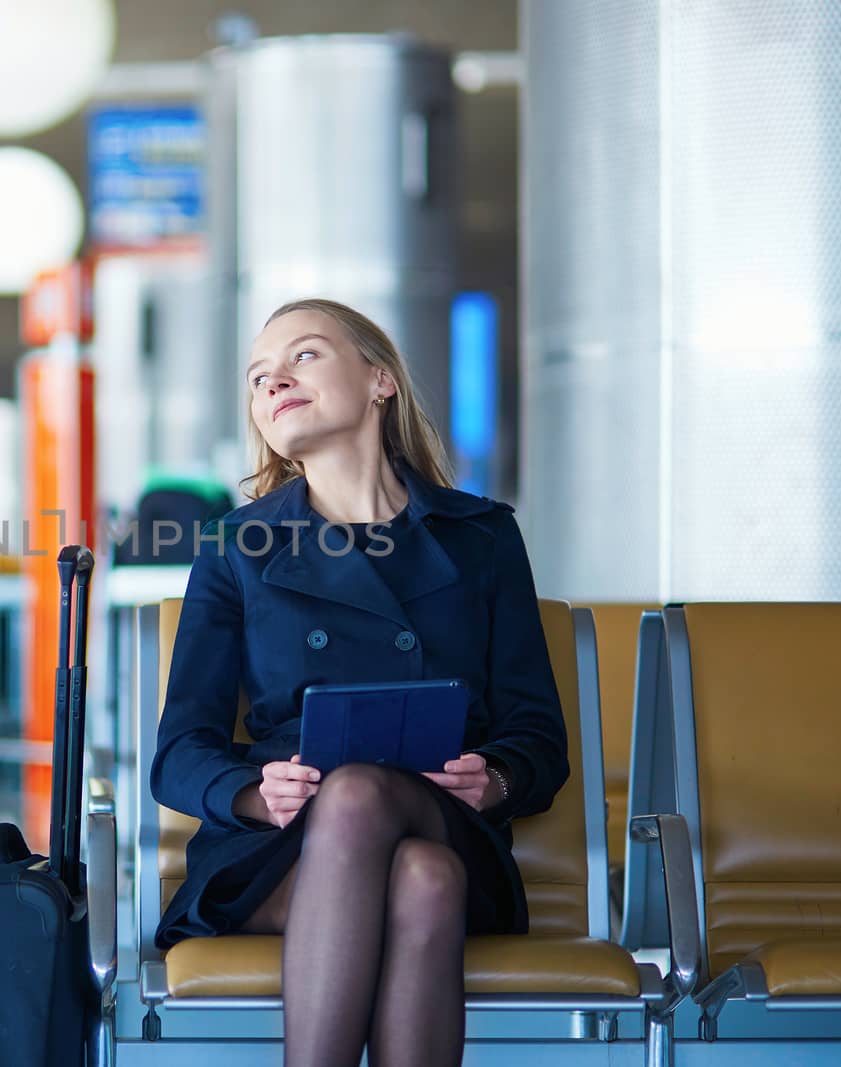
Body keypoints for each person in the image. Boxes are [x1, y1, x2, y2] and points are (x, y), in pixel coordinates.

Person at [149, 298, 570, 1067]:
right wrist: (253, 791)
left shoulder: (482, 537)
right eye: (257, 377)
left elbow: (538, 734)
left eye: (302, 356)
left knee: (385, 814)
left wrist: (498, 777)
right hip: (277, 850)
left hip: (451, 822)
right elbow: (179, 752)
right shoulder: (236, 548)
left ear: (380, 380)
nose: (274, 380)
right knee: (419, 878)